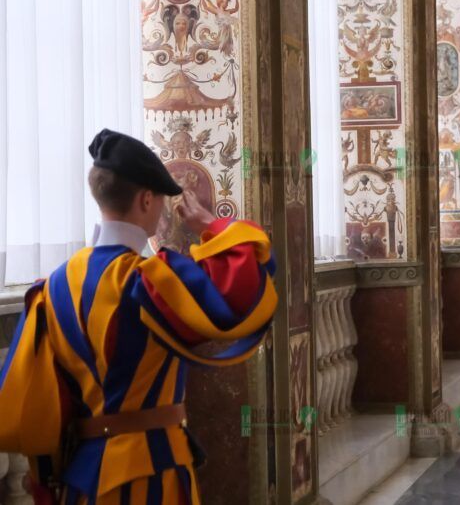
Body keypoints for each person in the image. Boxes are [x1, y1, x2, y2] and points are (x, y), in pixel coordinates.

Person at [0, 129, 278, 504]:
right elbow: (239, 300)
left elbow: (42, 398)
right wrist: (212, 229)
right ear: (147, 200)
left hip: (83, 477)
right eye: (161, 200)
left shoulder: (52, 286)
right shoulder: (146, 280)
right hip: (151, 472)